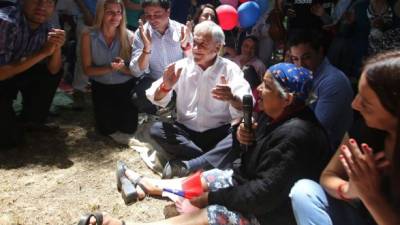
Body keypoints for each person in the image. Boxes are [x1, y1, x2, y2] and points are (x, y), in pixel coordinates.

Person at [77, 62, 330, 225]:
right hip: (250, 187)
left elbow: (264, 194)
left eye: (266, 85)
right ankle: (148, 184)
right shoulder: (273, 115)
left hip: (271, 215)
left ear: (288, 99)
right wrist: (245, 141)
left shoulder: (297, 135)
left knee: (211, 215)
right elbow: (249, 165)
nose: (259, 89)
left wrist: (212, 198)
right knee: (213, 176)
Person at [289, 51, 400, 225]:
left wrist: (372, 197)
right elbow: (328, 176)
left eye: (366, 104)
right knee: (304, 191)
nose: (354, 104)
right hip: (361, 214)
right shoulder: (365, 128)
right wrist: (351, 189)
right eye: (358, 94)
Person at [146, 21, 252, 179]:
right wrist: (166, 87)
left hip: (219, 133)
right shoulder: (181, 66)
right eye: (194, 43)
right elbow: (153, 95)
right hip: (186, 133)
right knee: (155, 129)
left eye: (202, 45)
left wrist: (231, 97)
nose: (195, 49)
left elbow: (247, 103)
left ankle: (189, 166)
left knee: (240, 134)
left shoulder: (230, 69)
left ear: (217, 48)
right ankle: (212, 160)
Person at [0, 0, 65, 149]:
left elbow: (54, 70)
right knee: (8, 141)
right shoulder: (6, 21)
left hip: (15, 74)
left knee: (50, 74)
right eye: (36, 0)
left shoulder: (48, 27)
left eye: (49, 3)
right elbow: (1, 73)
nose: (42, 7)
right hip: (3, 76)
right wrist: (43, 52)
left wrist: (57, 47)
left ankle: (31, 119)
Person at [81, 0, 138, 144]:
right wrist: (110, 68)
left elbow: (135, 72)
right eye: (110, 12)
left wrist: (122, 68)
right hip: (101, 87)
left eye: (119, 12)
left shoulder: (129, 36)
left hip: (125, 86)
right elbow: (87, 70)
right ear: (101, 13)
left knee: (129, 128)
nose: (116, 17)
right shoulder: (88, 36)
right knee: (106, 130)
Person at [288, 29, 353, 153]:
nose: (300, 65)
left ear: (320, 51)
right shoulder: (304, 77)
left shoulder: (333, 82)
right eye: (295, 59)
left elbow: (314, 131)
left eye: (306, 57)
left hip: (327, 155)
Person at [129, 0, 188, 114]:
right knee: (138, 97)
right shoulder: (141, 33)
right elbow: (136, 72)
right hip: (154, 80)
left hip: (180, 80)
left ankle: (175, 106)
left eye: (157, 14)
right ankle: (156, 112)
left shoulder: (181, 30)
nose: (152, 19)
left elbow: (194, 62)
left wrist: (187, 47)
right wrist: (147, 48)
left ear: (168, 12)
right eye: (148, 15)